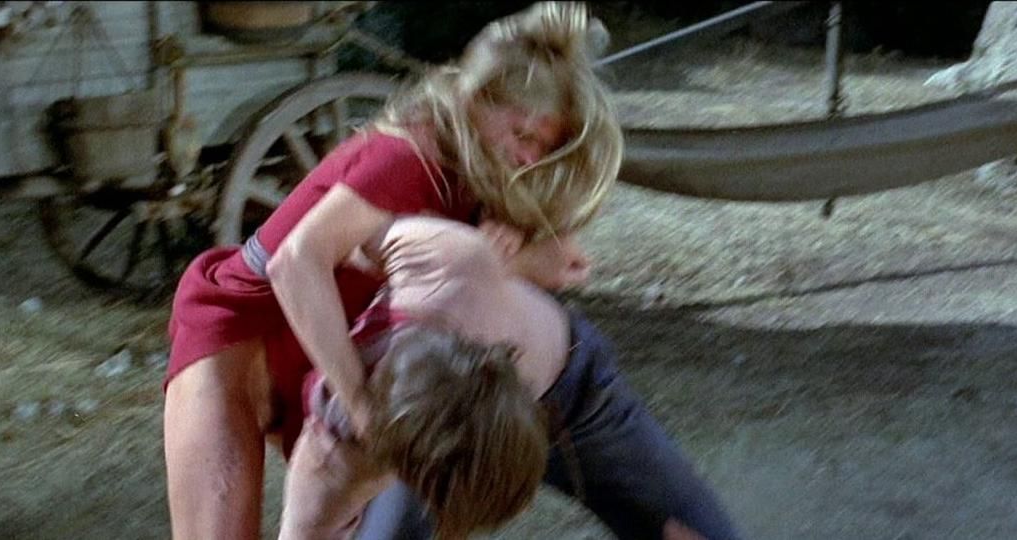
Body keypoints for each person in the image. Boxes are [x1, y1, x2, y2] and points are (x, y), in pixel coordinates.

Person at [162, 3, 622, 538]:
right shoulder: (406, 156)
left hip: (311, 352)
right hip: (239, 337)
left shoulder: (477, 174)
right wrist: (358, 402)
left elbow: (436, 264)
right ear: (476, 99)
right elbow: (296, 262)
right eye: (521, 134)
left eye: (542, 146)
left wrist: (515, 240)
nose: (526, 156)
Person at [279, 216, 742, 540]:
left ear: (497, 361)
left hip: (579, 390)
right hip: (419, 445)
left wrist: (525, 249)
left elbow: (358, 233)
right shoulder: (334, 459)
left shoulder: (452, 262)